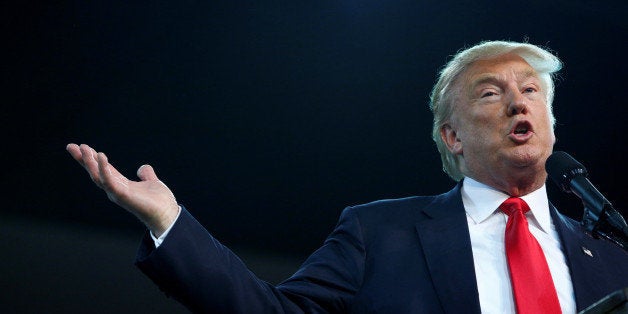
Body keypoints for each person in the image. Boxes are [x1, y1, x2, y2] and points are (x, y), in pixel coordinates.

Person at [67, 40, 628, 313]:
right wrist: (169, 220)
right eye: (490, 93)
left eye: (530, 91)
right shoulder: (381, 234)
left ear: (551, 120)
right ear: (452, 137)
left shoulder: (612, 255)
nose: (516, 103)